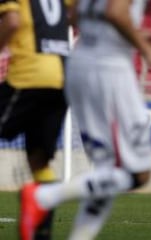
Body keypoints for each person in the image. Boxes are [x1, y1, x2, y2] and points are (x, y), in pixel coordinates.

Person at [18, 0, 151, 239]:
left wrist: (129, 35)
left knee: (106, 173)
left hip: (79, 63)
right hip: (109, 71)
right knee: (138, 173)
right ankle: (44, 196)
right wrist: (145, 48)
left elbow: (74, 16)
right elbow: (115, 11)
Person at [0, 0, 73, 239]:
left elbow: (11, 22)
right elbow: (76, 14)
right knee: (39, 161)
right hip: (61, 80)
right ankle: (41, 233)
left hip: (28, 76)